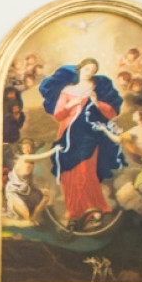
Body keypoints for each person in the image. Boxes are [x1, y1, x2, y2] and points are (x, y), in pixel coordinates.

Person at [39, 58, 126, 231]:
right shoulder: (68, 91)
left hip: (89, 134)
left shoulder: (97, 89)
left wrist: (96, 102)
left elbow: (111, 113)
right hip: (68, 134)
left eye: (93, 70)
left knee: (86, 170)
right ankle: (74, 213)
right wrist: (71, 103)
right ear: (80, 69)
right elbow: (58, 115)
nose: (90, 72)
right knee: (68, 173)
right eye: (87, 68)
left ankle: (93, 208)